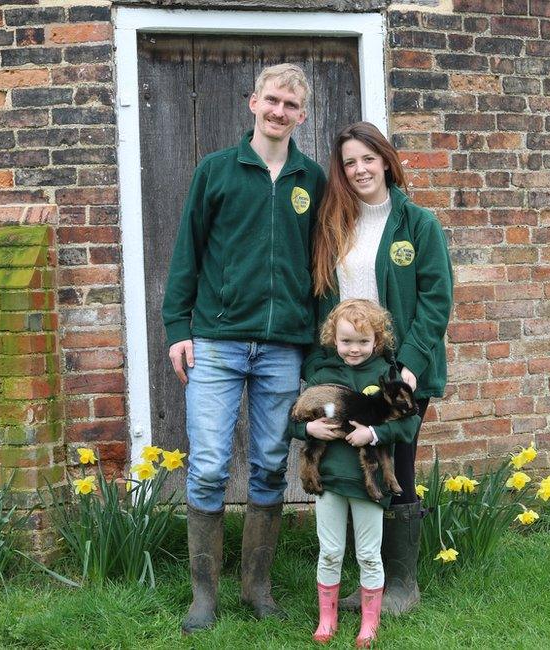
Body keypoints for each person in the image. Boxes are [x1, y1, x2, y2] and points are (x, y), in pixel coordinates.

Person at [162, 63, 326, 634]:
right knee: (207, 467)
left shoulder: (313, 179)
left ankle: (257, 587)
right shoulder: (217, 171)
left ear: (301, 116)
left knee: (268, 465)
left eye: (291, 106)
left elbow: (321, 265)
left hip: (283, 347)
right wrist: (177, 327)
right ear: (252, 102)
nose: (279, 112)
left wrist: (319, 343)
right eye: (272, 100)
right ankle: (203, 595)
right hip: (217, 340)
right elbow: (188, 251)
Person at [306, 121, 453, 615]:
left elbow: (436, 299)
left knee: (397, 463)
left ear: (386, 161)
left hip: (399, 370)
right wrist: (320, 363)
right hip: (346, 367)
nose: (360, 169)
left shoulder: (418, 224)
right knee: (346, 460)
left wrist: (409, 365)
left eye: (368, 158)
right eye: (349, 162)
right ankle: (369, 578)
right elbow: (321, 297)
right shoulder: (333, 225)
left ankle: (401, 586)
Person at [288, 299, 420, 646]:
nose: (354, 349)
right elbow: (296, 422)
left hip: (370, 485)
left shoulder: (390, 379)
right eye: (346, 341)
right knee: (330, 551)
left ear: (377, 341)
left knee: (368, 554)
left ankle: (369, 622)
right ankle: (327, 618)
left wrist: (373, 434)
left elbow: (409, 426)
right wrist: (309, 431)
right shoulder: (322, 376)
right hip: (330, 480)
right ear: (333, 339)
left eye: (363, 342)